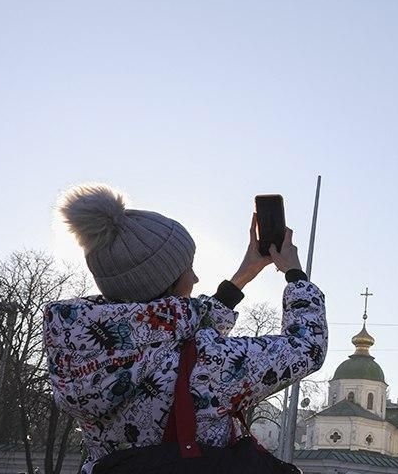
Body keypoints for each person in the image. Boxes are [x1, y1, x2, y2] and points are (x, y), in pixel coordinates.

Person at [43, 184, 328, 474]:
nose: (195, 276)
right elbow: (306, 348)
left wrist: (243, 276)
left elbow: (173, 334)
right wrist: (295, 275)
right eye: (186, 268)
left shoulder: (80, 356)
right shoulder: (206, 366)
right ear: (164, 284)